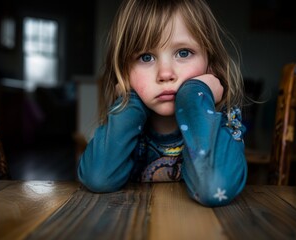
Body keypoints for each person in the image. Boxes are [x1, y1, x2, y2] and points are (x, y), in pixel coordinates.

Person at [77, 0, 247, 207]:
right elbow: (98, 178)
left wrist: (195, 95)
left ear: (210, 63)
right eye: (146, 57)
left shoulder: (223, 121)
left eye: (183, 53)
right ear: (124, 72)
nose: (165, 74)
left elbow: (213, 188)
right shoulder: (127, 121)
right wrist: (131, 102)